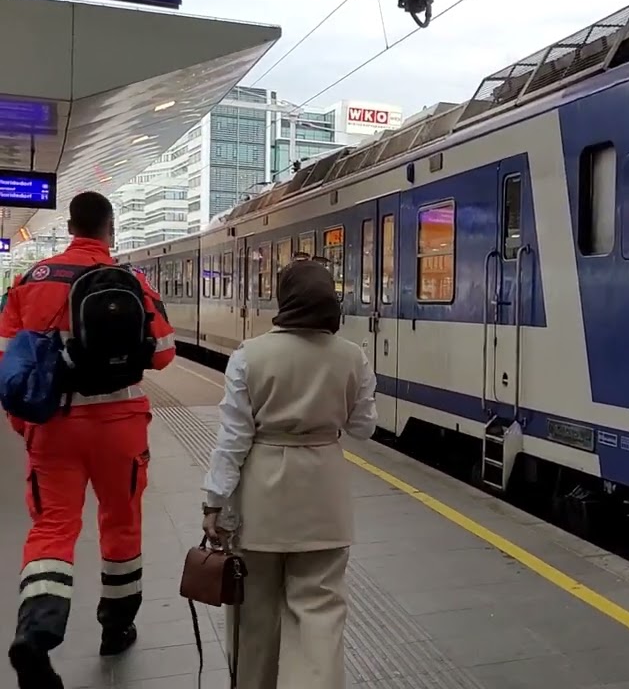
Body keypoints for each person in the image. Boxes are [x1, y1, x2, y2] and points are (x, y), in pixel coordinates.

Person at [0, 191, 176, 689]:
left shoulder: (30, 281)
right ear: (108, 228)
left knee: (53, 529)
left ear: (72, 225)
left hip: (53, 426)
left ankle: (36, 635)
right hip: (120, 424)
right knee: (121, 522)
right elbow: (163, 352)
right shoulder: (131, 279)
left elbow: (8, 362)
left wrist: (25, 422)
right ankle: (116, 627)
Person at [201, 260, 375, 689]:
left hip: (261, 503)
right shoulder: (353, 356)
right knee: (319, 614)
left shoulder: (249, 355)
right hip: (324, 501)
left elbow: (233, 439)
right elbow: (363, 428)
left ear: (283, 299)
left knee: (254, 614)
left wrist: (214, 501)